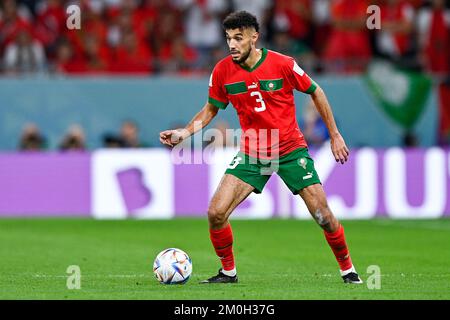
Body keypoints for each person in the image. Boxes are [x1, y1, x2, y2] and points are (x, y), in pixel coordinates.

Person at [159, 11, 362, 284]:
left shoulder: (283, 64)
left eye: (238, 38)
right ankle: (228, 273)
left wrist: (335, 135)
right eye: (229, 38)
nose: (232, 44)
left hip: (290, 150)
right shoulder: (221, 71)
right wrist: (185, 132)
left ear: (254, 37)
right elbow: (211, 109)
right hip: (253, 152)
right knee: (216, 213)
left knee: (323, 216)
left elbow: (316, 91)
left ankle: (348, 270)